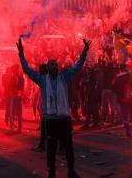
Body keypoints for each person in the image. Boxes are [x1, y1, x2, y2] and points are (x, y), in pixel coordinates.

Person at [17, 37, 90, 178]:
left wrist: (85, 51)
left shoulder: (65, 77)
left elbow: (78, 65)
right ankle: (52, 172)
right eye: (50, 65)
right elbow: (27, 70)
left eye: (55, 65)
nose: (53, 67)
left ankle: (71, 171)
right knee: (51, 148)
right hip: (50, 120)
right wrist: (21, 54)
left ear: (58, 67)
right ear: (48, 68)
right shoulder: (42, 80)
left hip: (64, 119)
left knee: (68, 146)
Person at [113, 64, 132, 137]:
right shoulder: (131, 76)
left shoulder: (117, 78)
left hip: (122, 100)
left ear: (120, 69)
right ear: (126, 69)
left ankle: (128, 132)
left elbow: (114, 89)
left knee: (125, 116)